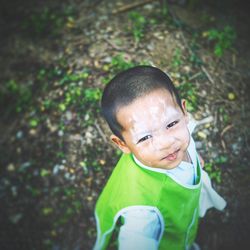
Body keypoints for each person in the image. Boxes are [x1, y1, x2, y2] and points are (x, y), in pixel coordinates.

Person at [94, 65, 226, 250]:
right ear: (122, 144)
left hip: (183, 214)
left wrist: (195, 158)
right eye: (145, 137)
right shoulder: (142, 211)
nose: (166, 143)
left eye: (171, 124)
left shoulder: (182, 132)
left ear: (183, 112)